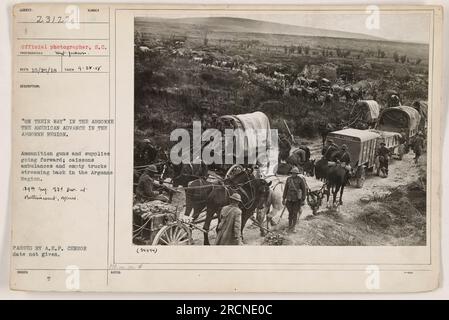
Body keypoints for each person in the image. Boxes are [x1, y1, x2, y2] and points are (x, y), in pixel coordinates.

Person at [282, 167, 307, 233]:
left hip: (297, 199)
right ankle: (290, 225)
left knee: (295, 213)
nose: (293, 174)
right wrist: (283, 198)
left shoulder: (300, 180)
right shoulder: (288, 179)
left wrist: (303, 199)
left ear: (297, 174)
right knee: (290, 213)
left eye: (294, 173)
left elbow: (304, 190)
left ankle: (293, 227)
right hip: (289, 199)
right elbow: (285, 189)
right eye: (292, 173)